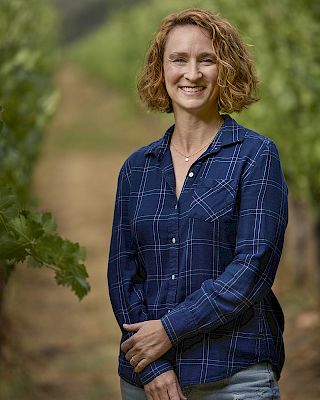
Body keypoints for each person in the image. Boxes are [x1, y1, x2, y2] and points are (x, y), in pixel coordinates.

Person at [107, 8, 288, 400]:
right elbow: (122, 276)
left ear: (226, 70)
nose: (192, 74)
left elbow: (252, 269)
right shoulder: (136, 169)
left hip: (233, 374)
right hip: (147, 383)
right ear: (161, 69)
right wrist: (152, 364)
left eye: (206, 60)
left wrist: (169, 329)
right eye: (179, 59)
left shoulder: (255, 156)